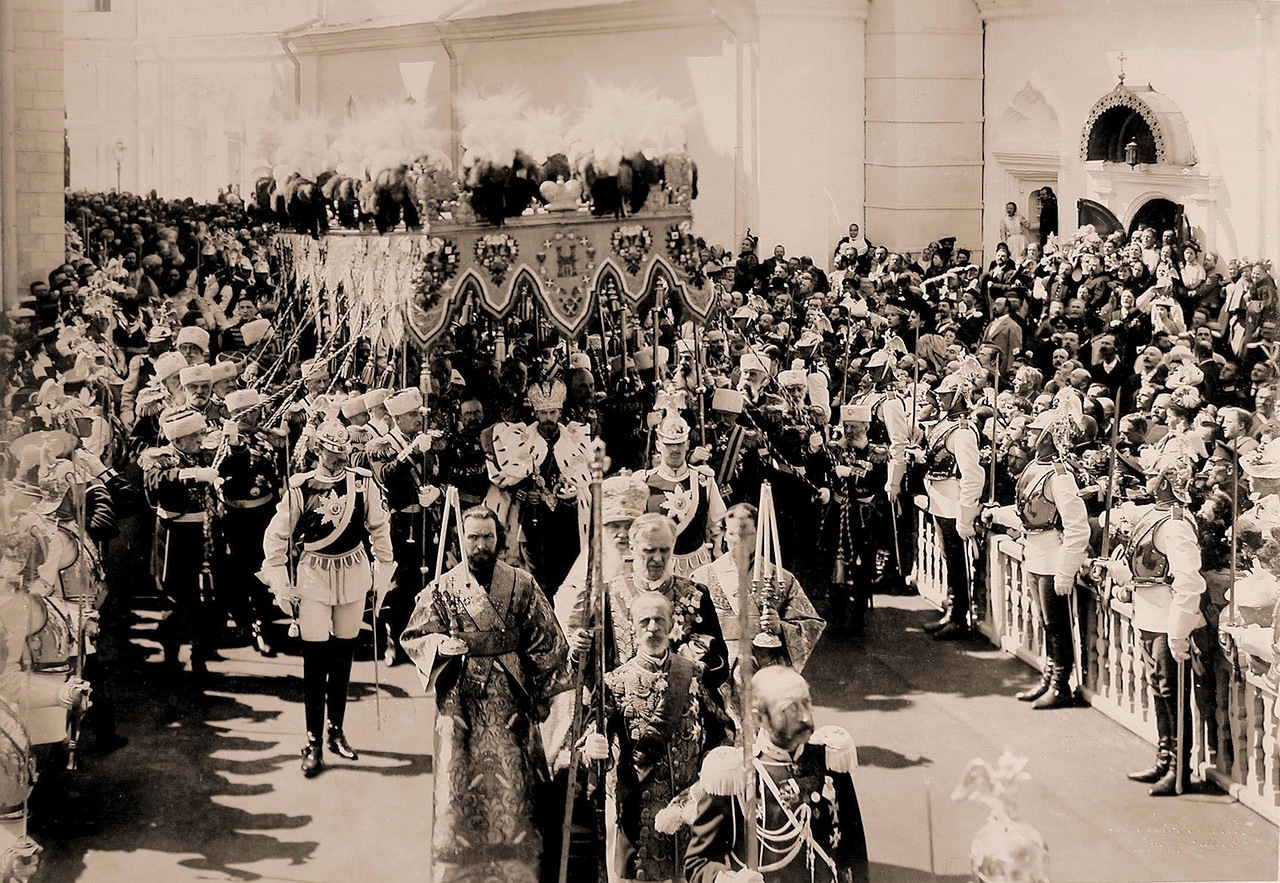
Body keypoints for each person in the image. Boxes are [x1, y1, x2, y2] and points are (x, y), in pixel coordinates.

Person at [400, 506, 572, 881]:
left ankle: (518, 868)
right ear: (460, 540)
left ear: (499, 539)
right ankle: (462, 870)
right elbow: (414, 637)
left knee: (517, 783)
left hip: (512, 698)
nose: (481, 545)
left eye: (488, 537)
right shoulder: (443, 588)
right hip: (460, 702)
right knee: (459, 781)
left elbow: (547, 639)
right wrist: (439, 646)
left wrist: (543, 693)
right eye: (473, 537)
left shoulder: (522, 584)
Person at [259, 421, 395, 777]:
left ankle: (336, 731)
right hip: (313, 577)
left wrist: (383, 573)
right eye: (331, 453)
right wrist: (279, 581)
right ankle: (312, 740)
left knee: (343, 656)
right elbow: (275, 539)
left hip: (353, 572)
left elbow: (380, 530)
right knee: (315, 661)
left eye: (342, 453)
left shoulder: (363, 483)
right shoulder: (300, 488)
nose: (338, 459)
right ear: (317, 450)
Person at [581, 592, 733, 883]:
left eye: (659, 620)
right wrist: (593, 746)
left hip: (693, 818)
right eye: (644, 621)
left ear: (672, 625)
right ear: (632, 628)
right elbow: (594, 735)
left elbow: (722, 731)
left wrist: (708, 780)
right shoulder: (613, 683)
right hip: (641, 825)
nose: (652, 628)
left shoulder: (692, 674)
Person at [684, 665, 868, 883]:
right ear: (759, 718)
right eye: (790, 709)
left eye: (806, 702)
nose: (804, 717)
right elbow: (698, 862)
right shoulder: (734, 777)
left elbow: (854, 852)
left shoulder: (828, 759)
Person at [988, 392, 1092, 709]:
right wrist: (997, 514)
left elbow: (1077, 526)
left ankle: (1060, 685)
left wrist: (1066, 570)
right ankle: (1048, 678)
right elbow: (1028, 514)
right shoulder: (1035, 467)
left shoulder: (1060, 476)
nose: (1029, 434)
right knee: (1047, 622)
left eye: (1035, 431)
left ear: (1048, 437)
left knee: (1057, 625)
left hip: (1052, 556)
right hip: (1034, 551)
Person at [921, 368, 985, 640]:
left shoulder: (963, 430)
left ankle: (959, 617)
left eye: (946, 394)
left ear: (959, 396)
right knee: (949, 557)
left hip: (953, 499)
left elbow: (972, 475)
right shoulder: (946, 423)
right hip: (940, 498)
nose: (940, 398)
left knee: (957, 562)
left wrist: (966, 512)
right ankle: (951, 611)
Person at [642, 413, 726, 577]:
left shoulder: (704, 480)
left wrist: (718, 551)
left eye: (679, 443)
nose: (675, 449)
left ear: (687, 444)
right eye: (668, 444)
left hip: (697, 567)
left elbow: (717, 525)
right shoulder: (645, 482)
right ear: (658, 446)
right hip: (658, 568)